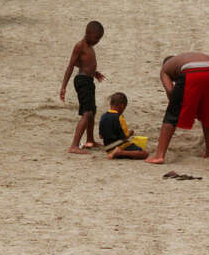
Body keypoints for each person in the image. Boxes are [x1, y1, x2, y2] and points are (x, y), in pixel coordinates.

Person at [146, 52, 209, 164]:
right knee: (207, 113)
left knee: (171, 113)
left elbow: (170, 92)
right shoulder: (183, 59)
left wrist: (177, 107)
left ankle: (159, 156)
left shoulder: (165, 69)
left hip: (192, 72)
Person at [59, 21, 106, 154]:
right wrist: (63, 87)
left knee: (92, 111)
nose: (97, 41)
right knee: (87, 113)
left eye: (99, 39)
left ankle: (90, 140)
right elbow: (71, 65)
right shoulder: (80, 46)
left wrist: (94, 73)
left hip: (89, 81)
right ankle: (74, 145)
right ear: (87, 33)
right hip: (82, 81)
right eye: (96, 38)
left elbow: (84, 64)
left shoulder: (90, 46)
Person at [99, 92, 149, 160]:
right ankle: (120, 152)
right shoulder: (119, 117)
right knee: (145, 154)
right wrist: (130, 133)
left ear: (110, 103)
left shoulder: (103, 116)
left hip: (108, 148)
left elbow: (101, 136)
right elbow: (125, 136)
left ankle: (116, 153)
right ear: (122, 106)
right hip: (120, 146)